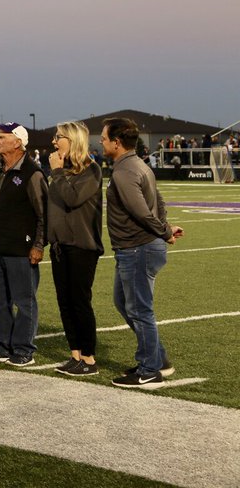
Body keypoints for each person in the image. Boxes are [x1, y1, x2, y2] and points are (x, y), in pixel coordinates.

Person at [101, 117, 184, 387]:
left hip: (137, 248)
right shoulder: (138, 165)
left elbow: (141, 211)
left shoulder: (124, 170)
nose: (101, 142)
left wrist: (165, 231)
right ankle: (157, 358)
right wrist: (165, 228)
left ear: (116, 142)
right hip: (138, 246)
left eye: (103, 138)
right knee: (124, 303)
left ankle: (150, 370)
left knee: (139, 310)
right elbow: (157, 201)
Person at [0, 123, 47, 367]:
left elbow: (43, 214)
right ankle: (1, 346)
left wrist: (38, 245)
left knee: (24, 302)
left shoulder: (32, 172)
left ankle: (23, 349)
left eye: (1, 137)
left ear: (17, 142)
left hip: (22, 249)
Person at [47, 121, 104, 377]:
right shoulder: (63, 170)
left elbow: (72, 199)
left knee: (80, 302)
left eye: (58, 137)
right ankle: (75, 354)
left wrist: (57, 172)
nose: (54, 142)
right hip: (60, 246)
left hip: (82, 246)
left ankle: (89, 359)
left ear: (73, 140)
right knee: (65, 302)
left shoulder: (91, 170)